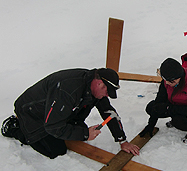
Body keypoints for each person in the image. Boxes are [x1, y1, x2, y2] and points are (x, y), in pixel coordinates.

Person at [1, 68, 140, 158]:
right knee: (56, 150)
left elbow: (108, 112)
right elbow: (52, 127)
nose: (107, 96)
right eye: (106, 91)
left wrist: (122, 140)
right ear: (99, 83)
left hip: (55, 110)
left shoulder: (92, 86)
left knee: (75, 130)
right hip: (32, 113)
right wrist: (85, 134)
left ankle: (67, 123)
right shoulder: (68, 90)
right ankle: (17, 127)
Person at [139, 58, 187, 145]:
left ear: (180, 77)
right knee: (151, 107)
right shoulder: (168, 80)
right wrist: (151, 125)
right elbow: (159, 101)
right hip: (176, 104)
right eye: (166, 81)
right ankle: (175, 116)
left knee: (179, 121)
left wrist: (168, 108)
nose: (167, 83)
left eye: (171, 81)